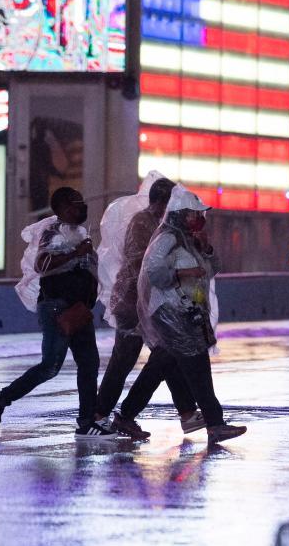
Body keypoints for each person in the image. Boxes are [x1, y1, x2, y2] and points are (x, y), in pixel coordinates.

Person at [0, 187, 117, 441]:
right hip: (57, 307)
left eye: (82, 202)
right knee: (50, 366)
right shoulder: (52, 232)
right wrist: (76, 253)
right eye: (76, 204)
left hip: (78, 309)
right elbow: (42, 264)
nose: (82, 207)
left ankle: (86, 422)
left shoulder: (79, 232)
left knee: (89, 364)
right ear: (63, 208)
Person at [93, 173, 204, 440]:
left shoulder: (162, 224)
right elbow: (140, 263)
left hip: (152, 304)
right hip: (134, 303)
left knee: (167, 358)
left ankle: (184, 413)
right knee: (127, 361)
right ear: (160, 202)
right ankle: (100, 415)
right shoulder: (143, 222)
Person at [133, 184, 246, 445]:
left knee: (162, 366)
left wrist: (206, 250)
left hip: (188, 310)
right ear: (181, 214)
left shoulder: (188, 239)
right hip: (172, 312)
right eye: (195, 214)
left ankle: (126, 415)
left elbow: (211, 269)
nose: (201, 219)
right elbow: (153, 271)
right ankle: (215, 424)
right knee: (197, 368)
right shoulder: (168, 238)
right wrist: (181, 274)